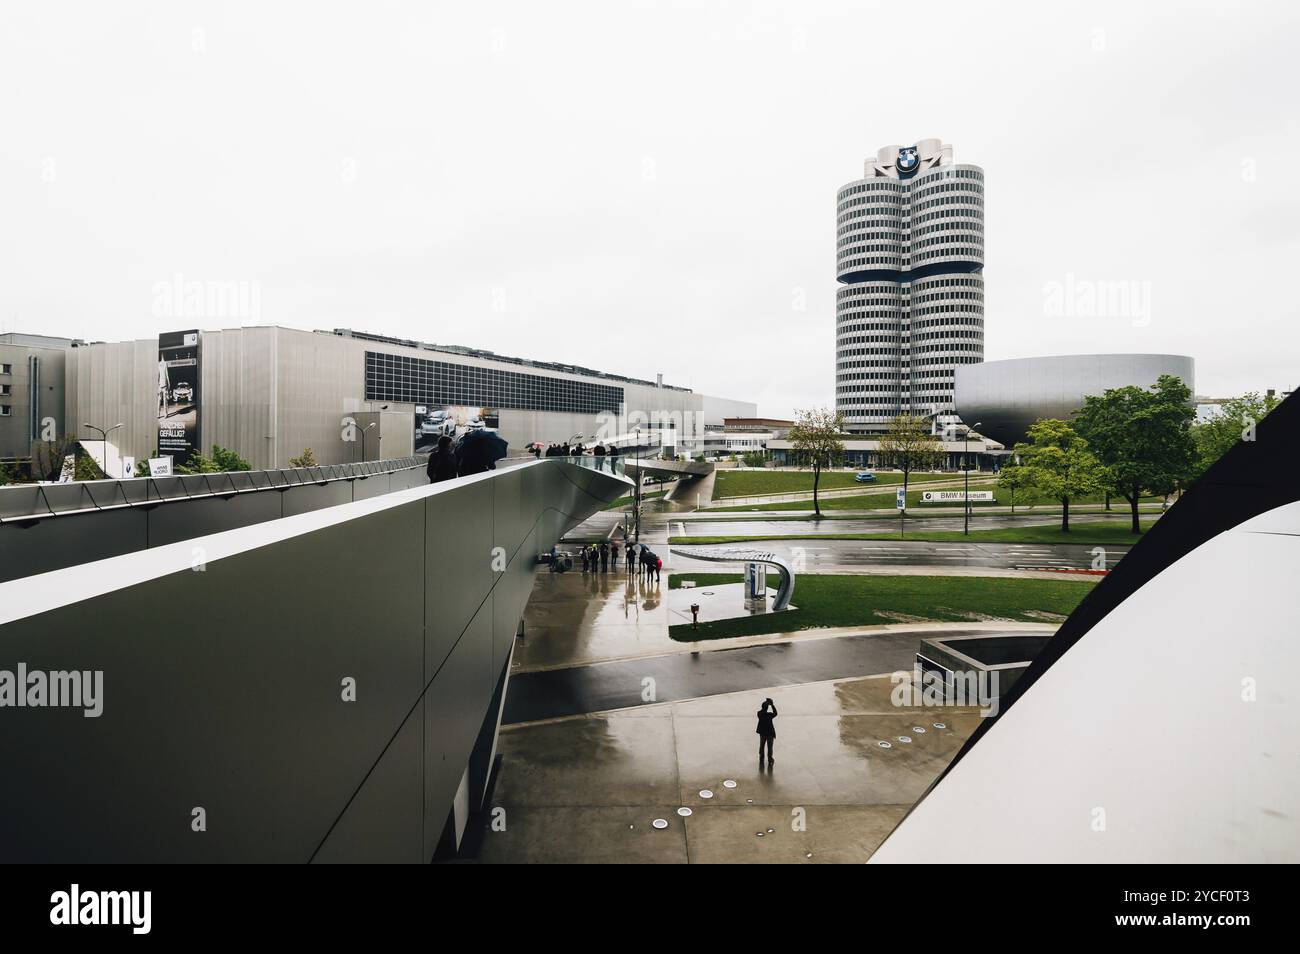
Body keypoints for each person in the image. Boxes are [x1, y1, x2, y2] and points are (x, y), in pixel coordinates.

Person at [756, 698, 778, 765]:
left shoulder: (759, 713)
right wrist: (772, 705)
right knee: (770, 748)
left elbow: (762, 710)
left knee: (762, 746)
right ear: (767, 708)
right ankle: (770, 760)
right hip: (770, 733)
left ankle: (761, 758)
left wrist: (766, 703)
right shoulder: (769, 715)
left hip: (762, 733)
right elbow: (775, 713)